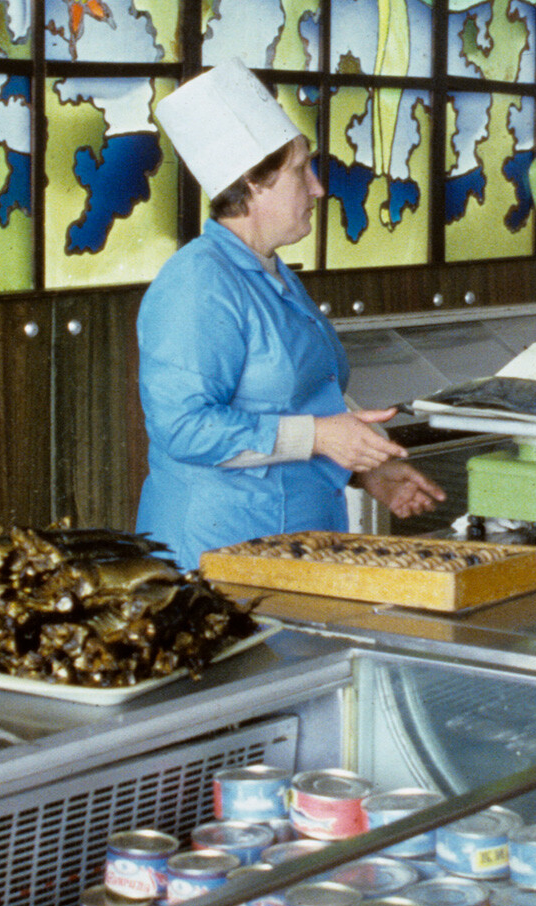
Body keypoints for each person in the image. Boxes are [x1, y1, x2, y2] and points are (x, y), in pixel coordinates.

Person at [137, 60, 443, 569]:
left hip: (296, 546)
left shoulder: (272, 271)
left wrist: (364, 469)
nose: (319, 187)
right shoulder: (197, 284)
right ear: (254, 184)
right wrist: (323, 437)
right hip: (219, 555)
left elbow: (302, 393)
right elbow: (184, 427)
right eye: (301, 169)